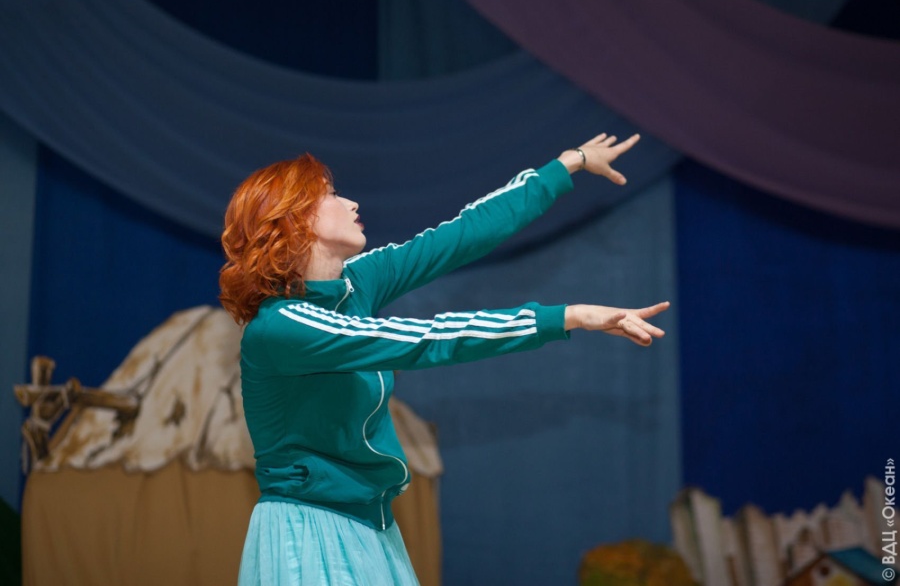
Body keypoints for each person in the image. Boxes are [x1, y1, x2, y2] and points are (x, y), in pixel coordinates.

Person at [219, 132, 669, 585]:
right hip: (310, 531)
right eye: (332, 195)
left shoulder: (354, 285)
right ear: (294, 220)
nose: (351, 203)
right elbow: (425, 338)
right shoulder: (283, 327)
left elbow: (461, 234)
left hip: (370, 527)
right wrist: (569, 316)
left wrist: (568, 163)